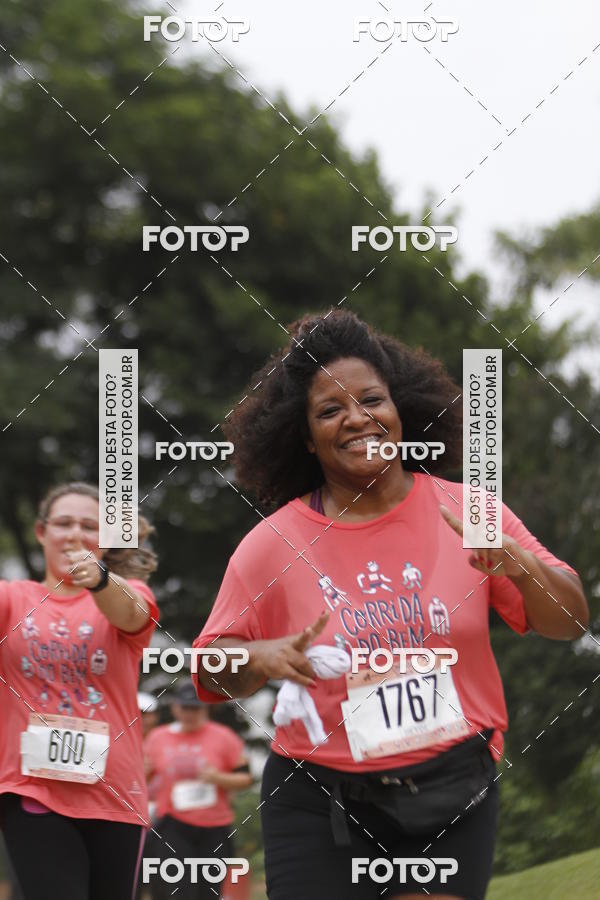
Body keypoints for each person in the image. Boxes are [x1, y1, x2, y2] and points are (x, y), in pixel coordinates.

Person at [192, 310, 588, 900]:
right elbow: (207, 673)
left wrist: (523, 568)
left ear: (400, 408)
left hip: (451, 785)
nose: (356, 418)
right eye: (330, 410)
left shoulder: (469, 512)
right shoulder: (272, 544)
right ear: (305, 438)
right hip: (319, 797)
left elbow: (570, 620)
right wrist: (260, 657)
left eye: (371, 399)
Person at [0, 482, 159, 900]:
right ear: (41, 532)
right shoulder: (11, 599)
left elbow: (131, 613)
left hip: (115, 795)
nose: (74, 535)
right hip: (33, 789)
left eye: (89, 526)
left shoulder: (131, 594)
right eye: (64, 523)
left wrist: (102, 581)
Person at [143, 682, 252, 900]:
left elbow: (245, 778)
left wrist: (217, 778)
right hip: (174, 824)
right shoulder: (158, 738)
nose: (190, 713)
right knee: (180, 891)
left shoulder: (224, 737)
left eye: (196, 708)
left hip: (215, 827)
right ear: (175, 708)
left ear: (206, 709)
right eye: (185, 707)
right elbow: (143, 778)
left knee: (209, 893)